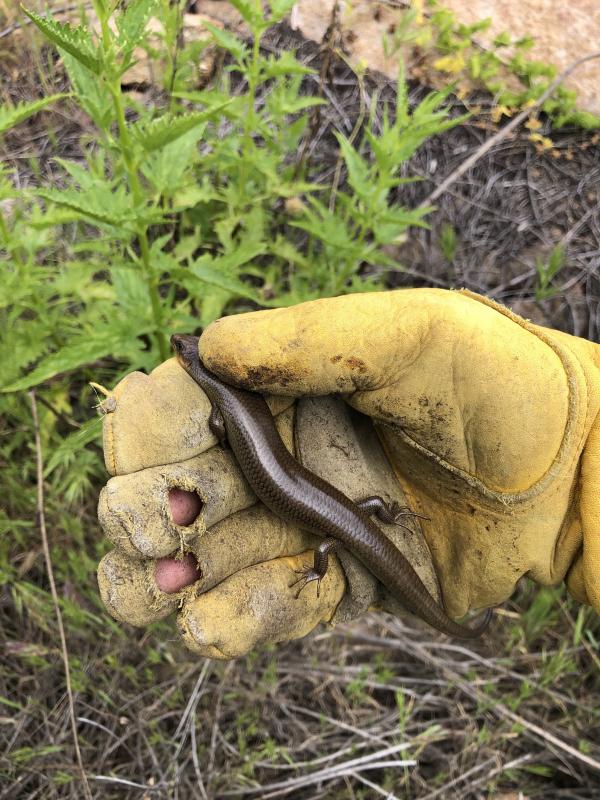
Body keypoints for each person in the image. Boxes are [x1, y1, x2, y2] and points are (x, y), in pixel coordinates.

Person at [96, 288, 600, 659]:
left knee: (337, 540)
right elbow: (223, 421)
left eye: (185, 351)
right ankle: (433, 603)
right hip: (343, 513)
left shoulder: (219, 406)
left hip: (338, 522)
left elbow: (215, 422)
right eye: (187, 350)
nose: (183, 350)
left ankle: (364, 578)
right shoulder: (231, 404)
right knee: (350, 530)